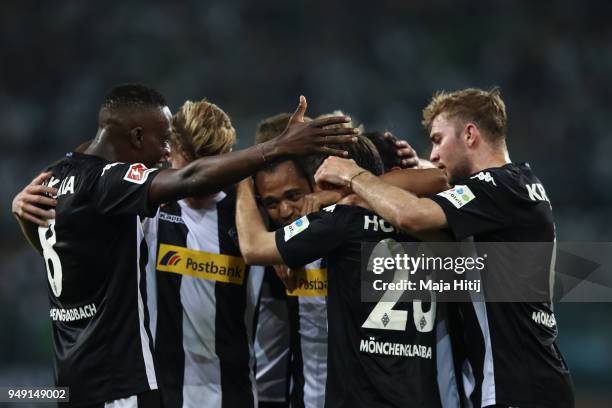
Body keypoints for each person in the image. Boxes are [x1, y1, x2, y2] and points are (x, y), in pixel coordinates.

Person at [10, 83, 357, 408]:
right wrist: (279, 147)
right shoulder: (139, 204)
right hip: (136, 388)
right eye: (169, 150)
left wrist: (321, 204)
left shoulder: (249, 211)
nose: (163, 155)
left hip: (224, 392)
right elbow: (184, 181)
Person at [314, 87, 575, 408]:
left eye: (438, 140)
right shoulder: (518, 185)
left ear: (469, 134)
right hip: (530, 378)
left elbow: (412, 216)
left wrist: (354, 176)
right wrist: (421, 168)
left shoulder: (499, 188)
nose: (434, 154)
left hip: (514, 387)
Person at [235, 135, 449, 407]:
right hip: (422, 395)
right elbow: (440, 179)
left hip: (359, 396)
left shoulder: (340, 220)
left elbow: (253, 248)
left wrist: (241, 173)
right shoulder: (427, 219)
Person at [142, 99, 262, 408]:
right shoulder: (146, 206)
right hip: (161, 393)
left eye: (208, 169)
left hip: (231, 392)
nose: (198, 179)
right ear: (171, 151)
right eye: (190, 167)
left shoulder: (246, 214)